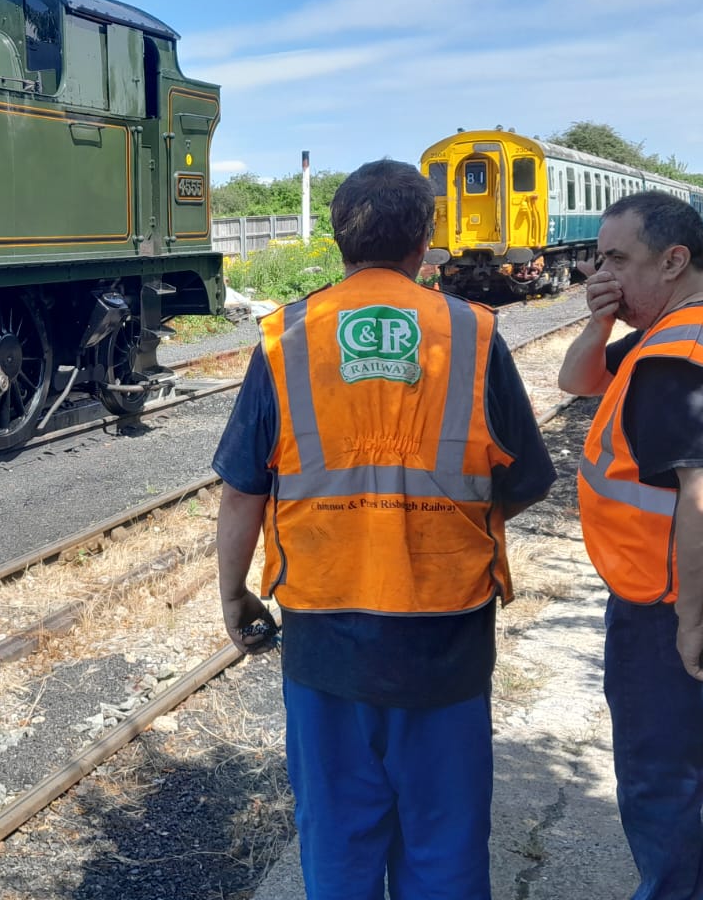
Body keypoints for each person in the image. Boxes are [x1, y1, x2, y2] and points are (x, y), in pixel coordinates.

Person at [214, 159, 554, 900]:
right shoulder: (471, 333)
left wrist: (233, 592)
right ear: (426, 239)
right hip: (447, 636)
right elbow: (524, 482)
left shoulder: (285, 339)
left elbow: (243, 493)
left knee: (337, 838)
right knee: (446, 839)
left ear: (338, 238)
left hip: (325, 633)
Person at [558, 191, 703, 900]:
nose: (602, 272)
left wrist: (689, 618)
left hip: (675, 601)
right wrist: (600, 322)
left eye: (618, 260)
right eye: (598, 258)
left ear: (673, 259)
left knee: (665, 784)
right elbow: (575, 382)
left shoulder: (677, 362)